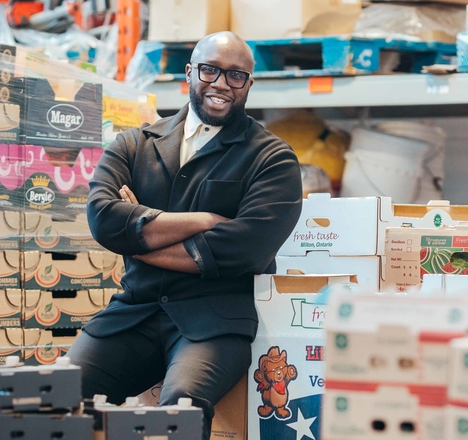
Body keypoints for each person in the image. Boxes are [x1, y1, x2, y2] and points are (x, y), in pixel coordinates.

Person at [67, 31, 303, 439]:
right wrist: (206, 220)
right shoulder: (133, 145)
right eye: (211, 70)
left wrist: (138, 237)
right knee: (56, 393)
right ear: (190, 72)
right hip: (132, 314)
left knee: (180, 409)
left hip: (213, 323)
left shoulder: (272, 159)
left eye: (236, 76)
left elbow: (244, 249)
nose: (221, 84)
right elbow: (105, 220)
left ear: (249, 84)